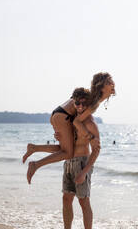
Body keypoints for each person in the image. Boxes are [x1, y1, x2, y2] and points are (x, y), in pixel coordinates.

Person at [23, 72, 115, 184]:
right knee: (68, 153)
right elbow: (77, 121)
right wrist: (90, 137)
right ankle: (35, 165)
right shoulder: (93, 102)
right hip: (63, 117)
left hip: (58, 114)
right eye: (109, 82)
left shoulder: (90, 95)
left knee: (66, 149)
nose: (112, 83)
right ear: (101, 86)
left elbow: (76, 117)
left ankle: (34, 148)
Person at [61, 88, 100, 229]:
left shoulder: (90, 123)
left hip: (82, 163)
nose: (81, 106)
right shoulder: (71, 120)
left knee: (84, 202)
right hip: (69, 161)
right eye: (78, 103)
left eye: (84, 103)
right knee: (66, 199)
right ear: (74, 102)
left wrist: (84, 172)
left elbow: (96, 149)